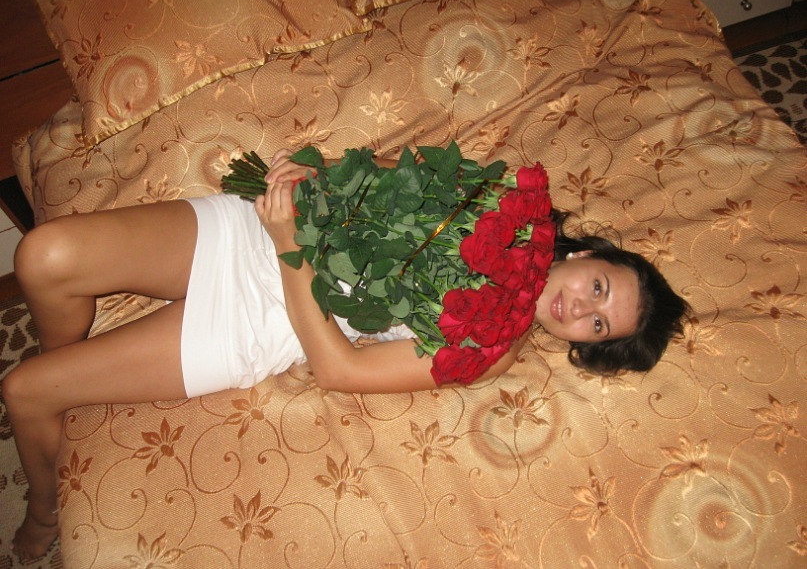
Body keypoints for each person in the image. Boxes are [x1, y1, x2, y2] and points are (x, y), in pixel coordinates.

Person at [3, 148, 687, 561]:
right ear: (586, 254)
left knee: (25, 389)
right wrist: (313, 174)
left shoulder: (491, 345)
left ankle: (43, 504)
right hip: (250, 234)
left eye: (597, 326)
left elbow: (338, 370)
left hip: (265, 319)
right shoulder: (499, 202)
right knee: (42, 254)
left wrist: (290, 247)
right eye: (598, 289)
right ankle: (74, 377)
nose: (579, 309)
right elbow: (381, 172)